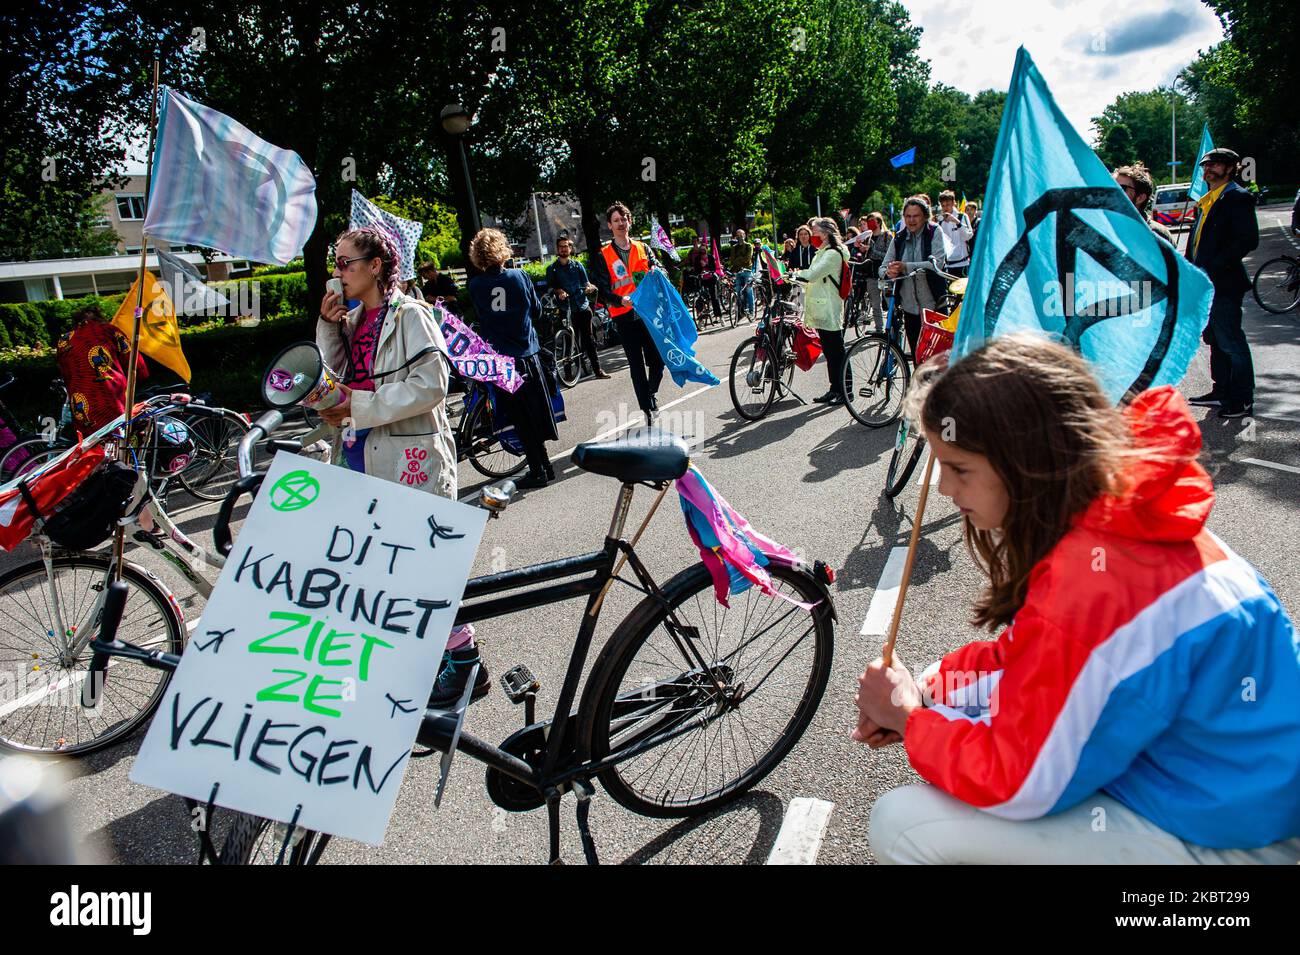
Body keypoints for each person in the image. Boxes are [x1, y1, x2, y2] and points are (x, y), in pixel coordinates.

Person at [858, 334, 1300, 864]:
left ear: (1024, 461)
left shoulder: (1093, 581)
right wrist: (929, 690)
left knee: (902, 823)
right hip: (1234, 793)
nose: (947, 489)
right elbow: (1028, 661)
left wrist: (910, 720)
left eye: (959, 469)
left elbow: (1022, 781)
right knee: (949, 690)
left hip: (1239, 838)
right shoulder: (1116, 516)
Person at [315, 227, 479, 707]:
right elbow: (334, 378)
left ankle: (464, 658)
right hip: (359, 450)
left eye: (346, 263)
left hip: (407, 455)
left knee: (421, 563)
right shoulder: (353, 319)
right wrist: (328, 328)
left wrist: (357, 406)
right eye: (336, 262)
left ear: (375, 267)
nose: (337, 273)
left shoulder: (410, 314)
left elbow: (432, 384)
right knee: (381, 563)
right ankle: (419, 659)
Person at [467, 228, 559, 489]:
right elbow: (538, 311)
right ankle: (545, 467)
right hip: (527, 355)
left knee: (520, 418)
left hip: (501, 361)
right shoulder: (519, 276)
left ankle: (539, 469)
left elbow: (483, 317)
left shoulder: (475, 285)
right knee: (535, 413)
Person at [1183, 147, 1260, 419]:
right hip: (1205, 283)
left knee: (1231, 340)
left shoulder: (1236, 197)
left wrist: (1215, 264)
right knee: (1214, 338)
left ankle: (1242, 398)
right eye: (1206, 166)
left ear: (1230, 168)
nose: (1208, 170)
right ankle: (1221, 390)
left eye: (1215, 165)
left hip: (1224, 282)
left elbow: (1248, 239)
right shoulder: (1208, 200)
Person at [591, 201, 666, 426]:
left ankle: (651, 391)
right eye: (616, 220)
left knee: (657, 359)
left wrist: (657, 270)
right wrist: (618, 299)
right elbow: (602, 289)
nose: (621, 223)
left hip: (647, 313)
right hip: (623, 316)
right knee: (636, 364)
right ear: (609, 225)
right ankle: (647, 406)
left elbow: (660, 269)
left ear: (629, 221)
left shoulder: (643, 248)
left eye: (624, 219)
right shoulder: (603, 255)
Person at [55, 304, 150, 433]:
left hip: (81, 403)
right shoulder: (110, 331)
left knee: (91, 445)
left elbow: (64, 372)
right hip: (112, 398)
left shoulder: (64, 340)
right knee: (121, 439)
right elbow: (136, 365)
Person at [882, 196, 952, 357]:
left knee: (938, 356)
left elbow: (938, 264)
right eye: (908, 216)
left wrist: (906, 267)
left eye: (916, 216)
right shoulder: (899, 238)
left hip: (934, 306)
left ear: (925, 216)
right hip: (909, 308)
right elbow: (883, 267)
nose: (911, 220)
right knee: (917, 355)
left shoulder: (934, 232)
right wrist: (889, 271)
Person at [793, 217, 851, 405]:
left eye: (815, 231)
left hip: (829, 307)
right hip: (822, 306)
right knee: (829, 350)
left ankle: (846, 391)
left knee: (837, 351)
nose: (812, 235)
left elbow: (813, 274)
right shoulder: (823, 251)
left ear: (825, 233)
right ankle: (834, 388)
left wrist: (793, 274)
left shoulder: (832, 254)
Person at [545, 236, 609, 381]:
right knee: (567, 342)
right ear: (557, 249)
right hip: (565, 308)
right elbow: (550, 288)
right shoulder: (552, 269)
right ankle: (567, 373)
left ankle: (598, 369)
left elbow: (586, 283)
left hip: (581, 305)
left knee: (589, 339)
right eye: (560, 246)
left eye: (566, 246)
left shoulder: (578, 266)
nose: (563, 249)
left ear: (570, 248)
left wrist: (589, 288)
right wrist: (559, 291)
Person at [1113, 162, 1173, 244]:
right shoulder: (1102, 228)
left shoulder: (1157, 235)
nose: (1113, 192)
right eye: (1112, 185)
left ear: (1140, 198)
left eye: (1122, 188)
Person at [935, 190, 974, 277]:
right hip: (947, 265)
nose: (945, 208)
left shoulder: (962, 216)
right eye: (943, 205)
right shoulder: (940, 221)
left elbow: (968, 236)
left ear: (953, 203)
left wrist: (957, 222)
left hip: (962, 264)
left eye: (948, 205)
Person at [685, 235, 722, 320]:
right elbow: (696, 269)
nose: (702, 253)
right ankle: (701, 316)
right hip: (702, 279)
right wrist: (698, 272)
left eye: (704, 251)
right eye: (701, 251)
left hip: (711, 279)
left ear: (706, 250)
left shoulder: (710, 257)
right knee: (700, 297)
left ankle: (718, 316)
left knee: (714, 297)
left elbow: (713, 268)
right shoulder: (698, 258)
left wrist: (706, 265)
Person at [728, 228, 755, 318]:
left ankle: (751, 311)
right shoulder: (734, 248)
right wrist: (740, 259)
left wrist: (738, 259)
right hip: (737, 271)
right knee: (738, 291)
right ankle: (741, 311)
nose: (739, 237)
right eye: (738, 235)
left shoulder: (748, 246)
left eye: (741, 235)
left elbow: (747, 259)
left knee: (748, 290)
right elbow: (732, 260)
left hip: (747, 270)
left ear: (744, 235)